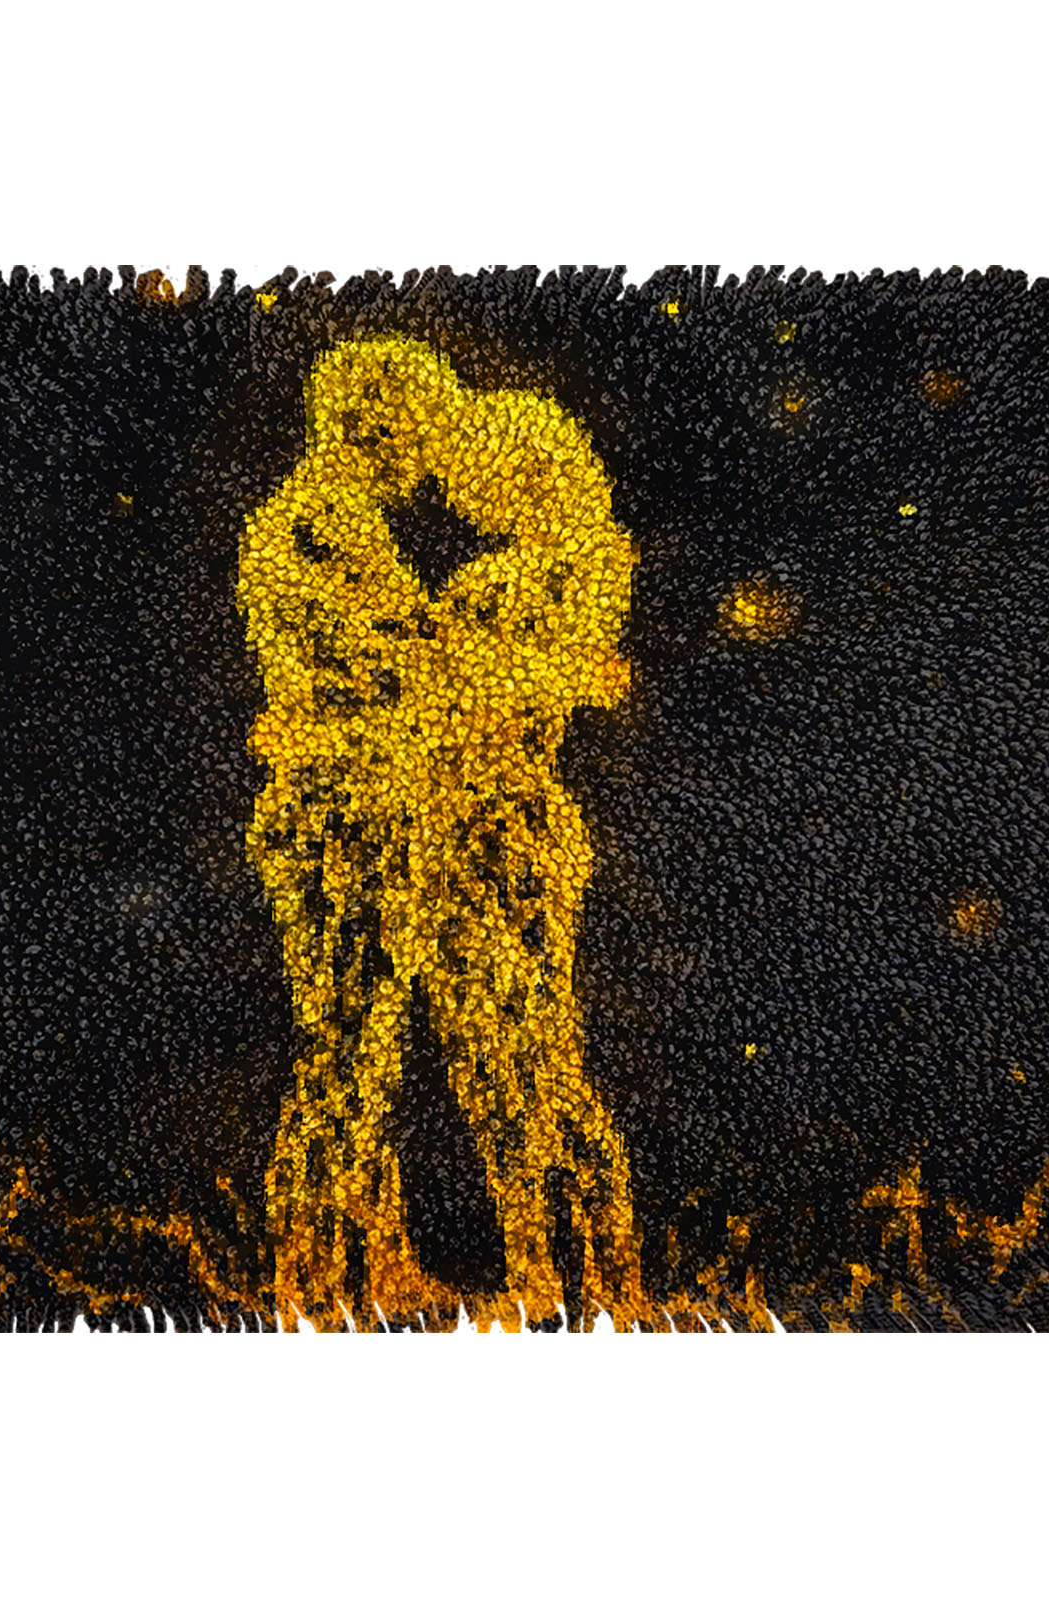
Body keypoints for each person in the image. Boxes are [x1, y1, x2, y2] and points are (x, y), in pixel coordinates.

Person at [238, 336, 642, 1327]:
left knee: (494, 1052)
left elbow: (455, 675)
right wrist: (494, 673)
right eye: (423, 438)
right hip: (355, 822)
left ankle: (552, 1274)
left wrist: (497, 673)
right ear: (372, 430)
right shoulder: (308, 533)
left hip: (457, 823)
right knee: (364, 1056)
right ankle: (331, 1281)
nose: (435, 469)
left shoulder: (532, 570)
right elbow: (392, 670)